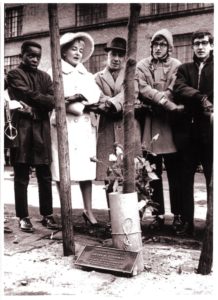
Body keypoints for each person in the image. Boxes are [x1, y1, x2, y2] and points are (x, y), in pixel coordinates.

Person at [135, 29, 184, 232]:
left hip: (170, 126)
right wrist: (163, 99)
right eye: (155, 44)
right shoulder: (142, 65)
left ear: (169, 47)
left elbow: (175, 88)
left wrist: (162, 99)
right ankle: (158, 214)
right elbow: (142, 88)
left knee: (175, 174)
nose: (158, 48)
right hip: (151, 124)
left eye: (162, 44)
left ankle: (179, 214)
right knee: (152, 174)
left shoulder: (177, 66)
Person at [49, 32, 101, 226]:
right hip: (65, 126)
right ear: (63, 51)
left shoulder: (86, 74)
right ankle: (66, 212)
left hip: (84, 129)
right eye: (73, 49)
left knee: (86, 171)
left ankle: (88, 211)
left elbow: (94, 94)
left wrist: (80, 98)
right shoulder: (54, 72)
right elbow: (58, 98)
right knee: (63, 171)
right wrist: (79, 102)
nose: (78, 53)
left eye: (81, 50)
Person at [6, 40, 59, 232]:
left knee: (45, 174)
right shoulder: (13, 74)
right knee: (21, 175)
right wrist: (42, 103)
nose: (35, 59)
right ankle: (23, 216)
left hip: (42, 130)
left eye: (38, 56)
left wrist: (33, 108)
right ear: (22, 55)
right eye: (30, 55)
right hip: (22, 130)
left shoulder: (45, 76)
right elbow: (24, 93)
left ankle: (47, 214)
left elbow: (54, 100)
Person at [94, 37, 141, 213]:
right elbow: (96, 99)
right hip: (106, 131)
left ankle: (132, 217)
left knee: (132, 174)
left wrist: (111, 104)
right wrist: (117, 103)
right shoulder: (97, 78)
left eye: (121, 55)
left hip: (128, 129)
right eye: (114, 54)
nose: (117, 58)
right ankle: (113, 217)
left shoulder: (132, 75)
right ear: (107, 55)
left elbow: (131, 94)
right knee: (110, 175)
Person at [173, 29, 213, 235]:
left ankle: (211, 222)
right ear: (192, 46)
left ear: (212, 45)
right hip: (188, 132)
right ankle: (187, 222)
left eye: (204, 43)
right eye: (196, 43)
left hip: (211, 132)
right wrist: (200, 96)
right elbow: (179, 88)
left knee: (212, 178)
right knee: (185, 178)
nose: (200, 46)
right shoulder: (184, 69)